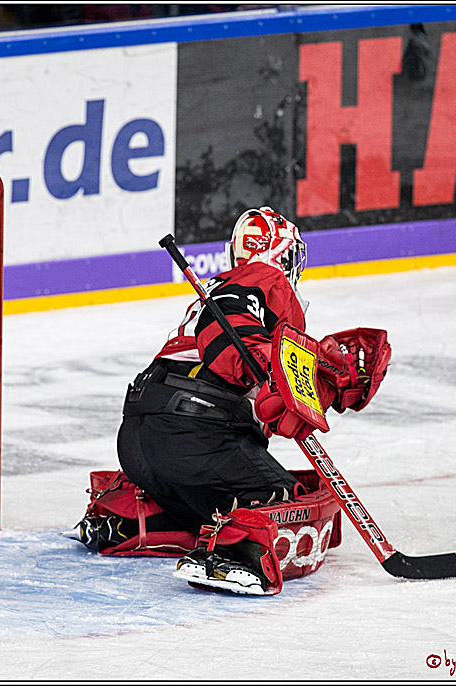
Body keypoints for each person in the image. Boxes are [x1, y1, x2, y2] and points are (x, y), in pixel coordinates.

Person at [75, 207, 389, 594]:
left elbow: (265, 377)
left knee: (212, 503)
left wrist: (325, 386)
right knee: (289, 506)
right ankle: (237, 556)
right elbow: (229, 330)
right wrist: (266, 367)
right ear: (281, 254)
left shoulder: (230, 287)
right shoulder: (268, 280)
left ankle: (128, 520)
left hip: (141, 438)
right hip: (195, 434)